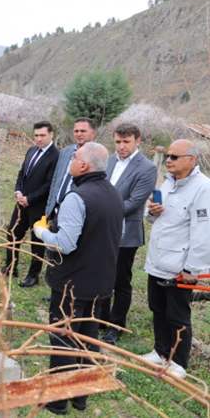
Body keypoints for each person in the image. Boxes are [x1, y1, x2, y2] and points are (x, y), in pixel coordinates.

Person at [33, 142, 123, 415]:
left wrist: (41, 232)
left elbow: (65, 243)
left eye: (75, 157)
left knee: (63, 339)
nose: (71, 160)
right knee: (87, 339)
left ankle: (58, 400)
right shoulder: (113, 194)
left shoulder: (77, 196)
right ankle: (80, 396)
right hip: (100, 283)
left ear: (84, 166)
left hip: (72, 283)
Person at [140, 139, 210, 379]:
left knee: (178, 315)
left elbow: (203, 233)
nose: (168, 160)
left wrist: (193, 268)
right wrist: (151, 212)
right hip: (159, 260)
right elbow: (153, 218)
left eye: (174, 157)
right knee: (157, 308)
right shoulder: (169, 184)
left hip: (181, 267)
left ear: (191, 160)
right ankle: (160, 351)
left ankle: (178, 363)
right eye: (167, 156)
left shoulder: (203, 188)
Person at [100, 123, 158, 344]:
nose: (121, 146)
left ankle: (116, 326)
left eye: (126, 142)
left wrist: (100, 209)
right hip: (102, 230)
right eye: (117, 142)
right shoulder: (109, 161)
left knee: (120, 281)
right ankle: (101, 319)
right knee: (103, 275)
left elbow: (134, 202)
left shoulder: (147, 168)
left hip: (125, 232)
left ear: (137, 141)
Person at [3, 121, 60, 286]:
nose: (39, 139)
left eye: (42, 135)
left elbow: (49, 184)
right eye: (36, 135)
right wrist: (18, 192)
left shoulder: (56, 156)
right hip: (21, 203)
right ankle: (10, 267)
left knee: (37, 242)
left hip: (39, 206)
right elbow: (22, 174)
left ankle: (33, 276)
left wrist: (30, 199)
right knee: (12, 234)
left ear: (51, 134)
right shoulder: (32, 150)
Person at [45, 117, 98, 217]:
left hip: (74, 213)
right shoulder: (65, 151)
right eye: (76, 131)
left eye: (83, 131)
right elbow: (56, 180)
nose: (79, 134)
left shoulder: (97, 157)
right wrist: (48, 208)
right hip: (55, 211)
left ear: (93, 133)